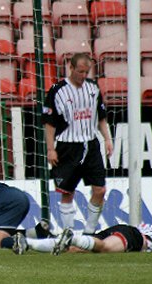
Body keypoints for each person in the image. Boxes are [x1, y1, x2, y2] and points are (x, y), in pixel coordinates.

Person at [42, 52, 113, 234]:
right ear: (71, 68)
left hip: (91, 145)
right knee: (67, 192)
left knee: (100, 189)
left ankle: (89, 232)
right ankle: (68, 232)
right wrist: (51, 149)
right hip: (67, 145)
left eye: (86, 72)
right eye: (80, 71)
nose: (83, 76)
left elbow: (101, 118)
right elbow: (49, 123)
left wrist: (107, 139)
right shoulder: (57, 90)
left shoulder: (93, 88)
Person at [12, 223, 152, 255]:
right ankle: (73, 237)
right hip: (136, 237)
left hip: (123, 228)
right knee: (104, 247)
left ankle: (28, 244)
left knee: (73, 250)